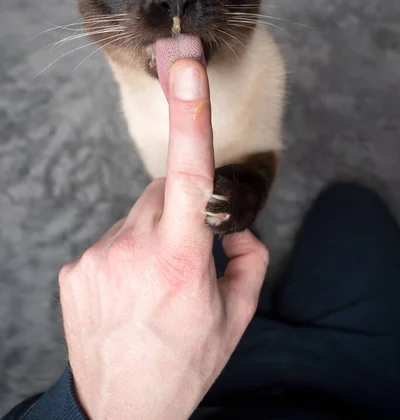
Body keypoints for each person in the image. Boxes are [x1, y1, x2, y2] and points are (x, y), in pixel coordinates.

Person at [3, 60, 400, 420]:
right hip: (365, 386)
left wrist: (107, 407)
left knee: (204, 221)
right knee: (350, 204)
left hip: (206, 384)